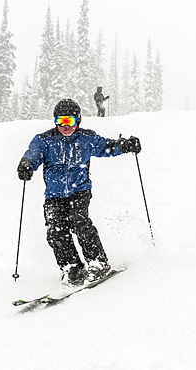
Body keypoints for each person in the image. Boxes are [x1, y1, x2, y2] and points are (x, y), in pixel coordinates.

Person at [17, 99, 141, 286]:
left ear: (78, 120)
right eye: (61, 121)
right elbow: (32, 154)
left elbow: (106, 147)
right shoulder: (44, 140)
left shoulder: (86, 139)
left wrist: (124, 145)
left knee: (79, 222)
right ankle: (72, 267)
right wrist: (26, 164)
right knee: (56, 230)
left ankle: (98, 262)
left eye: (70, 121)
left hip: (79, 191)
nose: (65, 127)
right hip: (54, 195)